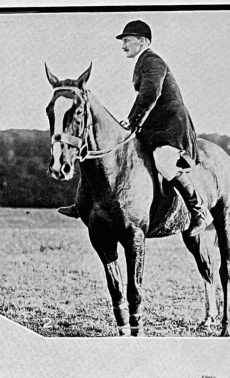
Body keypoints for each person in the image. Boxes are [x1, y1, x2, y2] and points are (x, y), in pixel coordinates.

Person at [58, 20, 210, 236]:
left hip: (169, 125)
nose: (123, 45)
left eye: (127, 40)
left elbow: (149, 94)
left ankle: (198, 211)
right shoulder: (143, 62)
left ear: (143, 41)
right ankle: (84, 203)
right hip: (151, 125)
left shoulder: (153, 61)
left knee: (165, 161)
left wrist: (132, 120)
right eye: (123, 41)